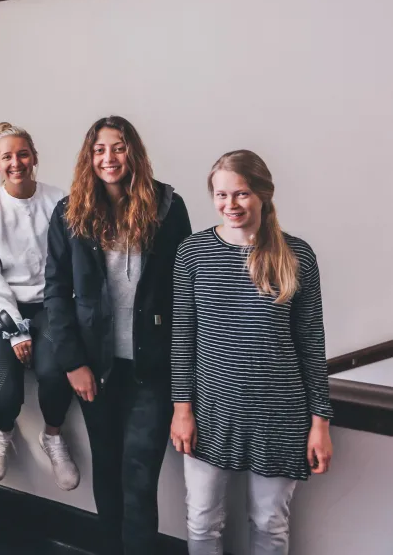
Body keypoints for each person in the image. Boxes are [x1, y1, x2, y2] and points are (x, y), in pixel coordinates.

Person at [169, 150, 333, 555]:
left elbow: (312, 343)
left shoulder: (297, 256)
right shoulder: (193, 253)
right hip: (210, 412)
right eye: (221, 195)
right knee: (203, 521)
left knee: (269, 523)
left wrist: (320, 423)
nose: (231, 205)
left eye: (241, 194)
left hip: (280, 414)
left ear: (262, 194)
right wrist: (181, 409)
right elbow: (182, 339)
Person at [44, 115, 192, 554]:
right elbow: (54, 290)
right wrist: (73, 362)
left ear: (134, 153)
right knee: (106, 470)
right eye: (99, 150)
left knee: (139, 475)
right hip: (96, 367)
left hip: (151, 368)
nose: (109, 158)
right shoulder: (70, 211)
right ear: (89, 157)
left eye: (118, 147)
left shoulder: (168, 207)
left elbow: (184, 291)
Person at [0, 122, 78, 489]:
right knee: (4, 391)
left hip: (51, 304)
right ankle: (2, 431)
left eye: (22, 154)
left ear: (34, 158)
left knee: (53, 371)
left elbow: (67, 267)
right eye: (6, 157)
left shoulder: (59, 201)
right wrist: (15, 331)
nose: (16, 162)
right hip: (2, 307)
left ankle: (53, 435)